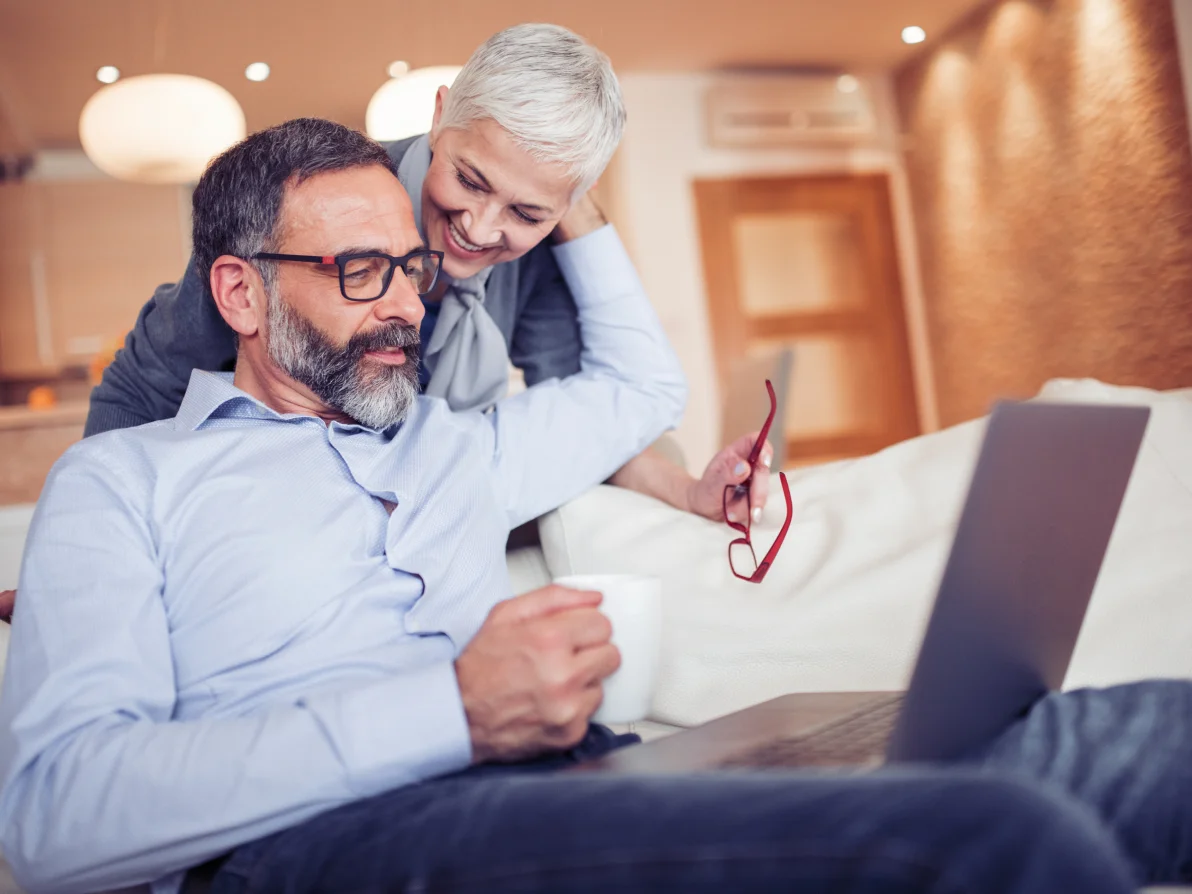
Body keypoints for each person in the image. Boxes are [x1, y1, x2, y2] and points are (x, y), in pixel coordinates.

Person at [1, 118, 1189, 894]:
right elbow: (51, 819)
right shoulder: (122, 484)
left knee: (1124, 742)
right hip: (331, 844)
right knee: (1002, 840)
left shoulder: (456, 447)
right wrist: (450, 713)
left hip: (577, 781)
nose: (407, 306)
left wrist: (563, 192)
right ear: (241, 294)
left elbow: (636, 391)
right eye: (361, 273)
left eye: (409, 272)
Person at [86, 23, 773, 525]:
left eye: (528, 211)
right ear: (441, 114)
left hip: (429, 517)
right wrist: (97, 542)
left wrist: (686, 492)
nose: (479, 228)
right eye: (469, 179)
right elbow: (145, 382)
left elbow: (586, 419)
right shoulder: (321, 204)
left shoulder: (535, 262)